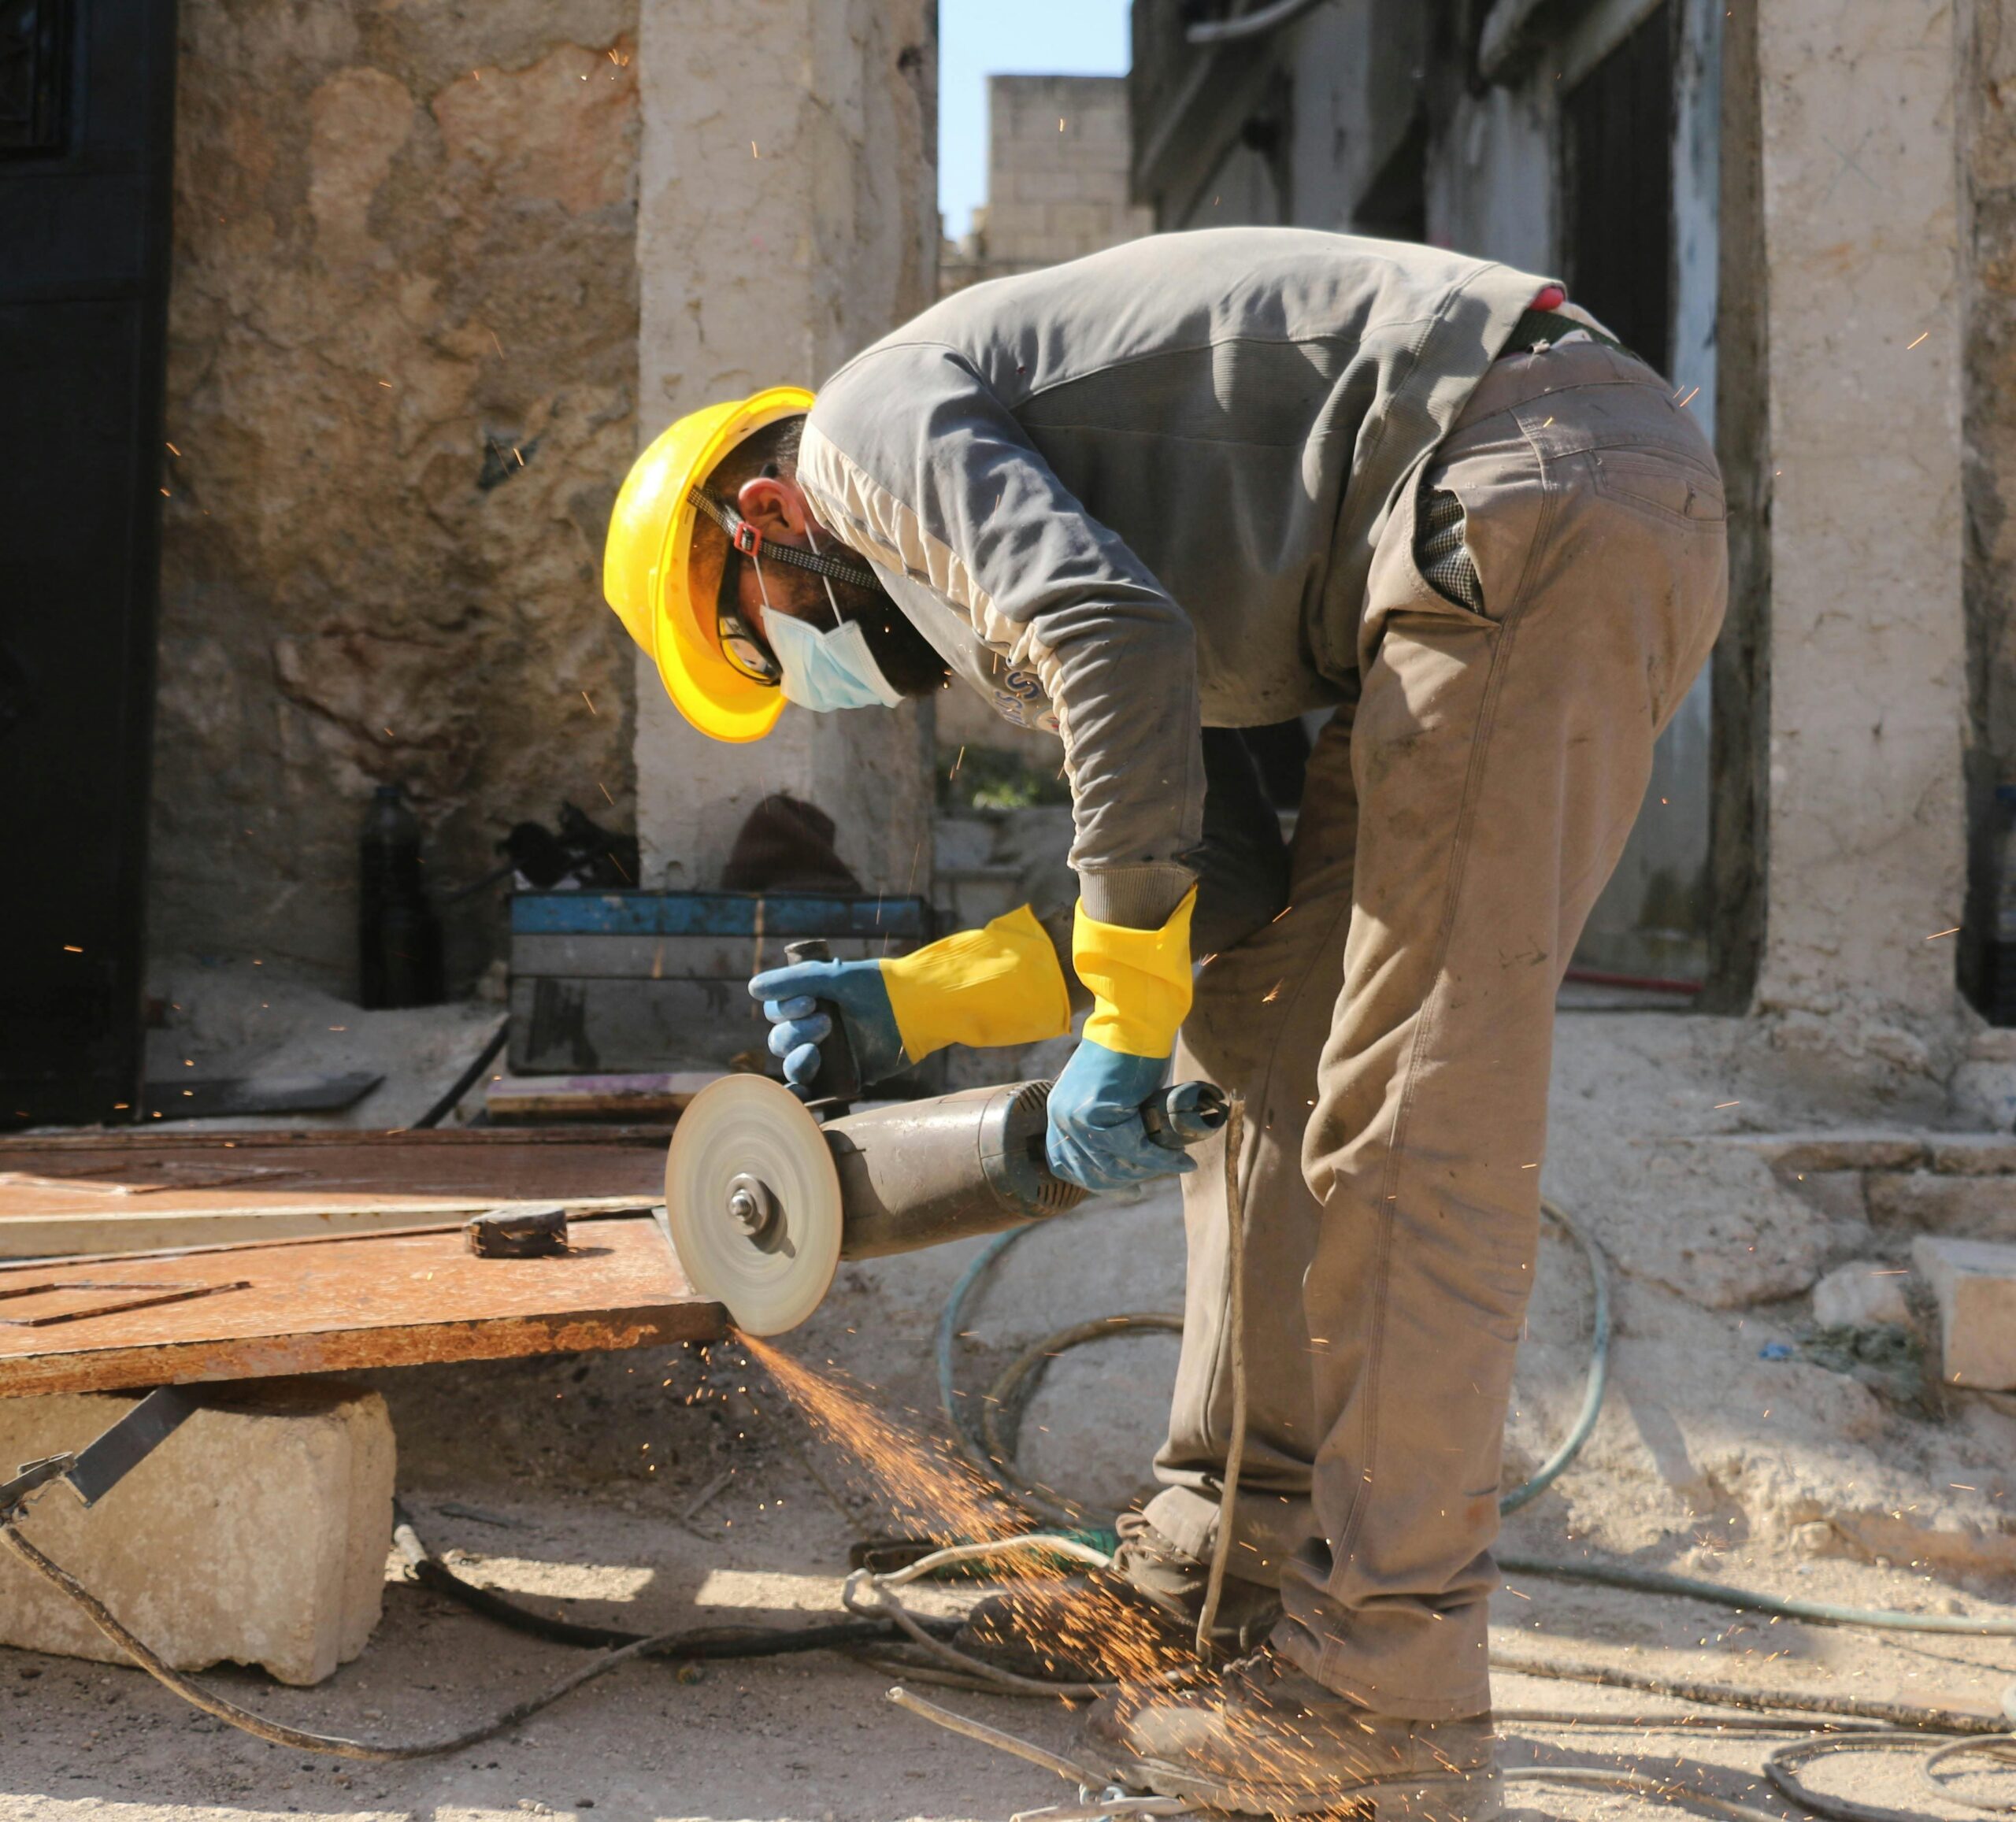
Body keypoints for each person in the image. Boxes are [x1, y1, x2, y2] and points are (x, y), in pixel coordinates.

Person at [602, 227, 1727, 1819]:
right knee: (1258, 1036)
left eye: (760, 627)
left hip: (1518, 494)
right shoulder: (1056, 493)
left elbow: (1109, 642)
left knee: (1409, 1115)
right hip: (1478, 517)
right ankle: (1220, 1564)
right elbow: (1230, 859)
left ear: (766, 512)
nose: (802, 667)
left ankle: (1381, 1700)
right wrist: (917, 998)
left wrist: (1112, 1026)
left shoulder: (862, 435)